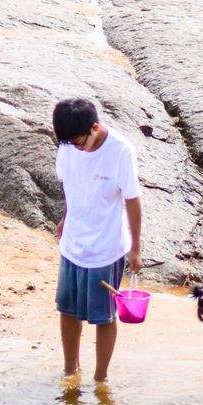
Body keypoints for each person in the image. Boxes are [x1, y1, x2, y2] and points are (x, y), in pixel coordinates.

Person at [52, 97, 143, 384]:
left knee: (104, 316)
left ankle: (101, 378)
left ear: (94, 127)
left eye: (80, 142)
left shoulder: (120, 151)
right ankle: (70, 370)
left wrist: (136, 249)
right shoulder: (68, 146)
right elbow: (70, 185)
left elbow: (132, 200)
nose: (76, 148)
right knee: (67, 311)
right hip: (72, 244)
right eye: (70, 143)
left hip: (106, 248)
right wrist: (66, 217)